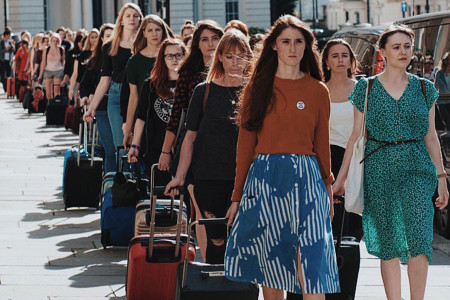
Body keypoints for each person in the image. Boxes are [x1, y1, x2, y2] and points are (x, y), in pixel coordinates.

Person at [224, 15, 340, 299]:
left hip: (309, 179)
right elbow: (245, 144)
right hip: (266, 178)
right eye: (286, 41)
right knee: (271, 261)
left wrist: (328, 187)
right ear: (274, 46)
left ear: (307, 46)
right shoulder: (257, 87)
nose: (292, 48)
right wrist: (237, 197)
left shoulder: (317, 90)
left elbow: (321, 143)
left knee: (314, 264)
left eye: (299, 41)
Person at [332, 25, 449, 299]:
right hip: (379, 170)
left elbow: (431, 137)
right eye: (396, 47)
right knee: (389, 243)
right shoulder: (367, 88)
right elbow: (355, 137)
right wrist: (340, 180)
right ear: (382, 52)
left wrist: (442, 179)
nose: (403, 52)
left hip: (417, 169)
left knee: (419, 240)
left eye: (407, 46)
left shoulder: (425, 88)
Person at [165, 31, 252, 264]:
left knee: (239, 235)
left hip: (242, 176)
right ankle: (215, 282)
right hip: (208, 175)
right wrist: (180, 176)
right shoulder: (203, 91)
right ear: (220, 57)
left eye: (241, 56)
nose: (236, 62)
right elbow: (189, 137)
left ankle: (236, 286)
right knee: (216, 237)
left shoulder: (253, 93)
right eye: (230, 56)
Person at [158, 20, 223, 260]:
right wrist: (166, 151)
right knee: (199, 209)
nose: (210, 44)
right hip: (194, 145)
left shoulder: (233, 69)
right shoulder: (188, 71)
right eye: (204, 39)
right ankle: (207, 261)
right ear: (196, 43)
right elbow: (176, 115)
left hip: (225, 147)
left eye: (215, 38)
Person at [83, 3, 143, 168]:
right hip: (116, 95)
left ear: (140, 19)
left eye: (135, 15)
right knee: (122, 145)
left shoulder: (144, 44)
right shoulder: (110, 46)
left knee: (140, 144)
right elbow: (105, 80)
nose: (132, 18)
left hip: (142, 94)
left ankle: (141, 182)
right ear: (121, 20)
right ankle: (125, 187)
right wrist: (92, 108)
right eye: (128, 15)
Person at [128, 38, 187, 186]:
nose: (175, 59)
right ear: (163, 58)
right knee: (160, 194)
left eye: (179, 55)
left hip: (183, 147)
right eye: (170, 56)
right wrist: (135, 146)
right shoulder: (151, 85)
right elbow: (141, 117)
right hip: (155, 148)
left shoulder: (190, 84)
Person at [321, 38, 363, 239]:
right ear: (327, 61)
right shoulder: (319, 90)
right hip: (328, 159)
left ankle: (349, 269)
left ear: (351, 60)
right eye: (335, 56)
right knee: (332, 224)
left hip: (358, 160)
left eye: (344, 55)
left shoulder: (362, 88)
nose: (340, 60)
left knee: (355, 227)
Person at [122, 14, 173, 150]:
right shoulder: (134, 61)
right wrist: (128, 127)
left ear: (163, 31)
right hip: (146, 117)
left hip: (171, 114)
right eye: (149, 30)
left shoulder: (172, 56)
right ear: (143, 33)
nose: (154, 34)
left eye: (157, 29)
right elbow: (133, 97)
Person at [79, 23, 115, 173]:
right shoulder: (96, 60)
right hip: (102, 108)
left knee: (121, 150)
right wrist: (85, 97)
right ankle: (110, 185)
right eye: (107, 36)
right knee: (110, 149)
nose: (111, 39)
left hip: (122, 108)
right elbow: (85, 84)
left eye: (113, 36)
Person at [68, 29, 99, 101]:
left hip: (97, 84)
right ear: (89, 39)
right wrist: (71, 88)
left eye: (96, 37)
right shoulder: (83, 54)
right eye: (92, 37)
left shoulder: (101, 53)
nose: (94, 39)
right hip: (84, 84)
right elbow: (75, 73)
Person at [38, 33, 65, 99]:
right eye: (53, 40)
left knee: (56, 92)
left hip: (58, 71)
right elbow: (43, 62)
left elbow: (63, 62)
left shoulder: (61, 49)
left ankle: (56, 106)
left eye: (57, 41)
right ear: (51, 41)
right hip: (48, 71)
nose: (55, 42)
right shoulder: (46, 49)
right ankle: (50, 107)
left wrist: (64, 74)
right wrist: (40, 75)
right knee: (48, 93)